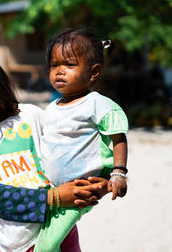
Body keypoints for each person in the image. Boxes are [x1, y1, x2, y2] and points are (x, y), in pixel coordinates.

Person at [0, 43, 110, 252]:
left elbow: (66, 156)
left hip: (61, 230)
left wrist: (99, 179)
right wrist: (54, 198)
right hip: (19, 246)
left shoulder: (32, 115)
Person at [35, 28, 129, 252]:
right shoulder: (52, 107)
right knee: (55, 239)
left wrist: (118, 174)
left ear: (93, 72)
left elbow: (118, 137)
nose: (59, 71)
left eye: (69, 65)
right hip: (55, 190)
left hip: (81, 190)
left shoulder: (96, 103)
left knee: (46, 247)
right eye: (54, 65)